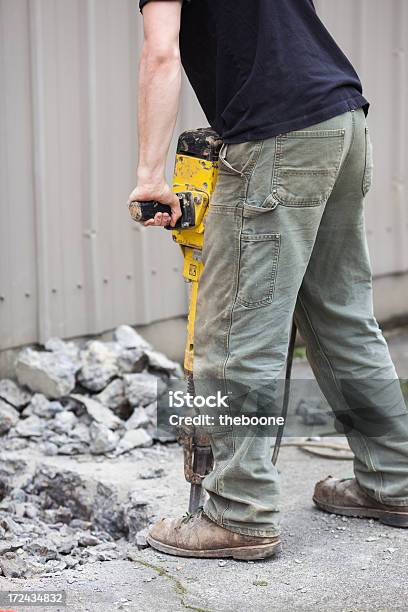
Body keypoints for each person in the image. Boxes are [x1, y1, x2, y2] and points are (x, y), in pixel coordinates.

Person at [129, 0, 408, 561]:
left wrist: (149, 177)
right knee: (341, 317)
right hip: (341, 118)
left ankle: (238, 513)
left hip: (276, 137)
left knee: (236, 330)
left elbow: (162, 54)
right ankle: (394, 482)